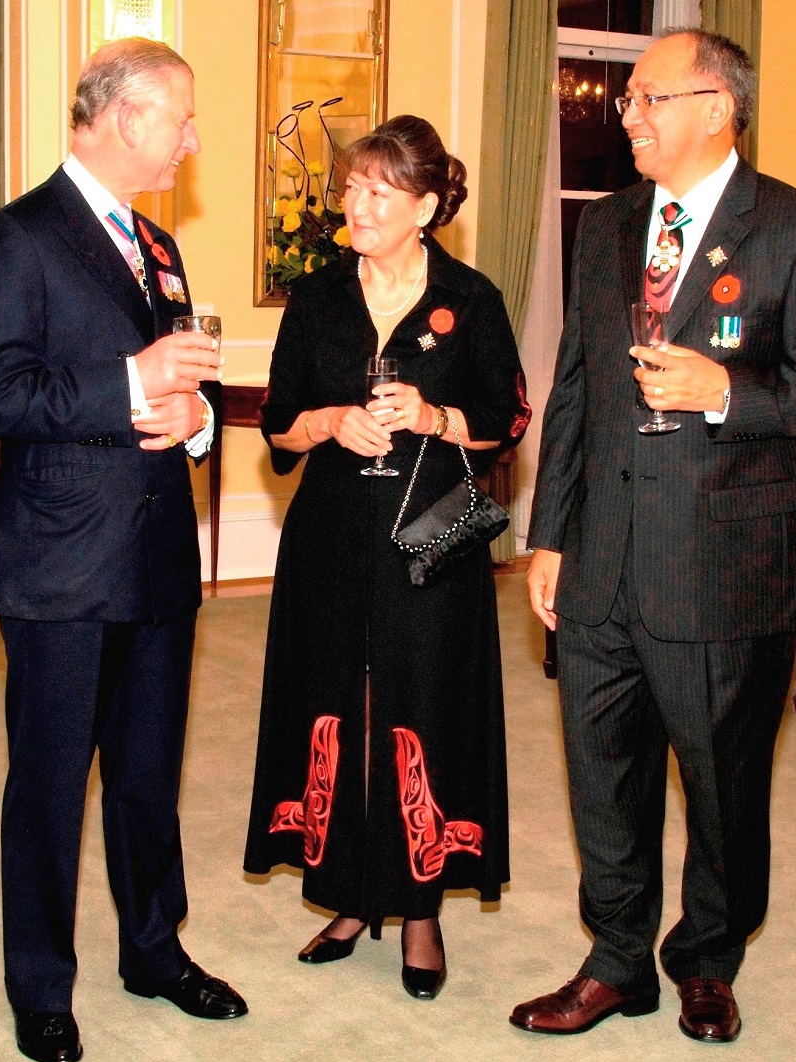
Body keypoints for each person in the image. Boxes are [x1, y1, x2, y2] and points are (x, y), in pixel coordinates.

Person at [511, 28, 796, 1043]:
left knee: (723, 783)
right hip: (602, 558)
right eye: (627, 100)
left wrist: (726, 394)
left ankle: (707, 956)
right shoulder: (610, 225)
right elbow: (576, 384)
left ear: (717, 106)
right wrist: (549, 535)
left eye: (648, 98)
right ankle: (617, 959)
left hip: (725, 564)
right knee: (601, 771)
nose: (626, 114)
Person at [0, 37, 247, 1062]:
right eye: (183, 119)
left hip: (156, 558)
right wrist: (131, 383)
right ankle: (41, 984)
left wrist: (197, 422)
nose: (194, 139)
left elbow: (176, 380)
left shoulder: (156, 244)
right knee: (46, 784)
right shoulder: (17, 237)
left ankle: (154, 950)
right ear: (127, 117)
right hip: (61, 568)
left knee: (147, 779)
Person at [244, 115, 530, 1000]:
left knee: (420, 704)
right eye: (350, 189)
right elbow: (278, 425)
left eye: (378, 192)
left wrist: (436, 418)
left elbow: (509, 418)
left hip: (432, 539)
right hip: (329, 537)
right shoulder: (319, 298)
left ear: (427, 205)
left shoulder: (471, 300)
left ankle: (418, 910)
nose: (355, 205)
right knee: (335, 699)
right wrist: (332, 422)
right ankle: (343, 895)